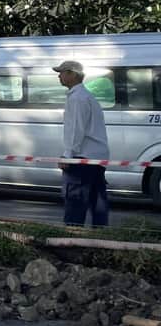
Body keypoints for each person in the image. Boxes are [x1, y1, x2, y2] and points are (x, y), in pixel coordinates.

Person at [55, 60, 110, 227]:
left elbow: (75, 130)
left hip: (82, 159)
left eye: (62, 72)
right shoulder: (87, 96)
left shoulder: (77, 98)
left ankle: (72, 242)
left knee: (75, 202)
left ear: (72, 74)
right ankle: (101, 241)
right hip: (96, 158)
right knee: (97, 202)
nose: (59, 75)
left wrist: (68, 156)